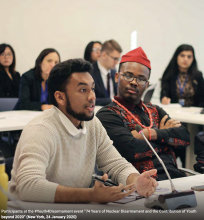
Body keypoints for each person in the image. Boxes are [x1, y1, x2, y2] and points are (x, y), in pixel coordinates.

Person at [8, 58, 157, 203]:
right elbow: (28, 186)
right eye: (83, 90)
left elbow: (115, 164)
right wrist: (90, 195)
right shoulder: (41, 130)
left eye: (92, 88)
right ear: (60, 97)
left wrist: (137, 180)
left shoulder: (92, 124)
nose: (92, 96)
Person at [96, 47, 190, 181]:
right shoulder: (107, 114)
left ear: (147, 85)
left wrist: (150, 134)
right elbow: (132, 150)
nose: (134, 82)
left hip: (177, 180)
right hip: (141, 187)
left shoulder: (154, 110)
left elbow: (185, 138)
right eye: (128, 75)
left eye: (141, 79)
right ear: (117, 77)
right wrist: (166, 139)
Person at [91, 39, 122, 106]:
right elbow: (89, 99)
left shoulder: (114, 72)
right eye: (115, 59)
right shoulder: (90, 72)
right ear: (104, 55)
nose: (117, 62)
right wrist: (111, 100)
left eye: (118, 59)